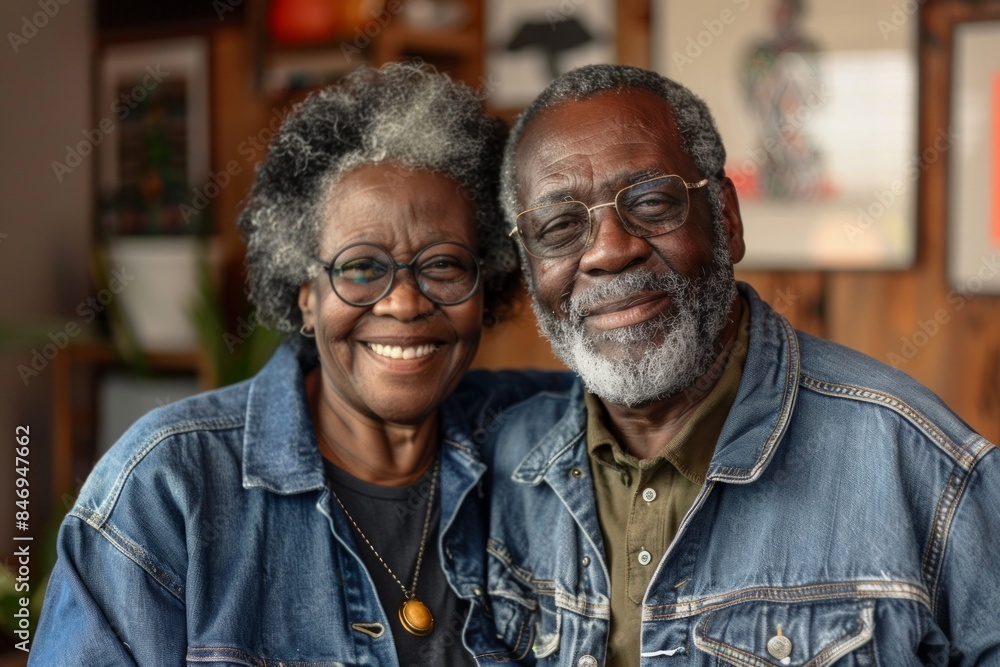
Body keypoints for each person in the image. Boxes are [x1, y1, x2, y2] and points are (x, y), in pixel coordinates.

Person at [30, 62, 568, 666]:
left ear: (485, 284)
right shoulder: (168, 488)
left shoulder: (546, 441)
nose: (406, 302)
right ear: (305, 294)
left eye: (443, 265)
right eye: (362, 267)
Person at [478, 64, 1000, 666]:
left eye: (650, 202)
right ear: (528, 265)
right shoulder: (503, 465)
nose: (609, 250)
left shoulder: (921, 464)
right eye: (560, 226)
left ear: (726, 217)